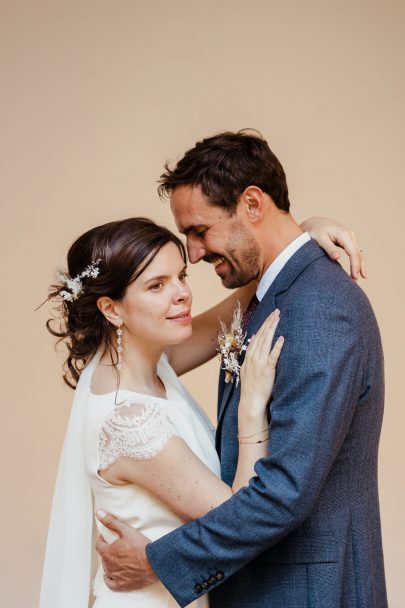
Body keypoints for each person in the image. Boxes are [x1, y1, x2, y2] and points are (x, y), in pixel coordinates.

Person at [96, 131, 387, 608]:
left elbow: (283, 493)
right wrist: (304, 232)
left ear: (252, 203)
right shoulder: (273, 294)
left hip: (305, 594)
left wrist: (154, 562)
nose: (192, 252)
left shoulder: (321, 310)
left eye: (199, 231)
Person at [40, 211, 362, 608]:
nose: (181, 294)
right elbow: (242, 521)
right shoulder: (130, 424)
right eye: (156, 285)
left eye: (182, 277)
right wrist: (251, 410)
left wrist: (297, 239)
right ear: (111, 308)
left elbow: (245, 297)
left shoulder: (149, 364)